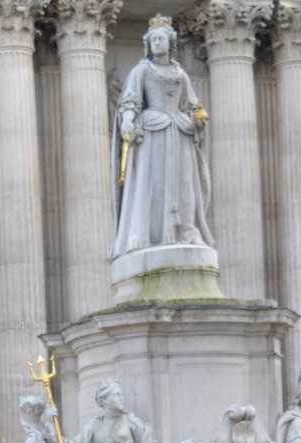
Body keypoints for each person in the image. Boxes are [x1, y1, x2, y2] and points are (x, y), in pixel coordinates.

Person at [109, 15, 213, 261]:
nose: (157, 43)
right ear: (148, 44)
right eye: (153, 39)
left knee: (184, 183)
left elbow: (192, 103)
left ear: (170, 43)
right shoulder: (142, 71)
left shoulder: (180, 74)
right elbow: (130, 100)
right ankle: (149, 233)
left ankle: (185, 229)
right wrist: (126, 119)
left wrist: (199, 117)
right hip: (153, 132)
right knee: (152, 184)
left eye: (161, 39)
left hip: (178, 131)